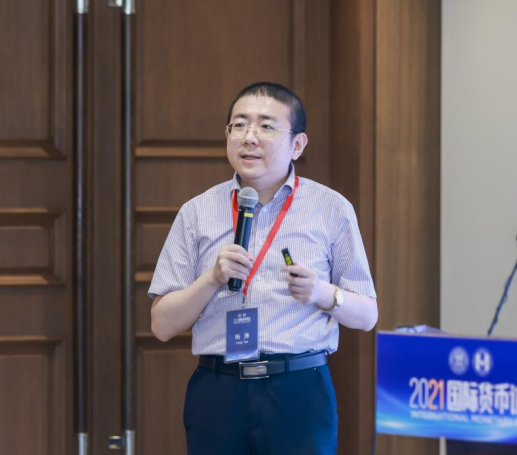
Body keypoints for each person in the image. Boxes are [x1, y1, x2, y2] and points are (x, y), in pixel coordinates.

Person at [149, 82, 378, 455]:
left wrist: (321, 293)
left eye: (266, 126)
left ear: (297, 144)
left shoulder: (331, 209)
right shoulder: (197, 212)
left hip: (298, 390)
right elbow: (161, 325)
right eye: (239, 125)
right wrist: (212, 279)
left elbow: (367, 315)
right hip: (218, 390)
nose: (249, 137)